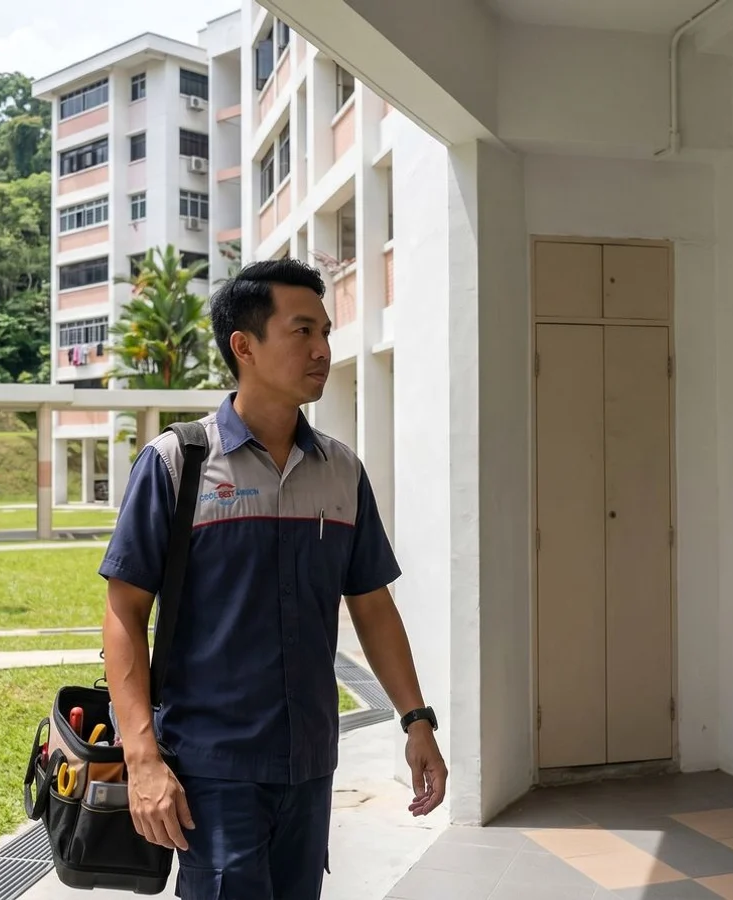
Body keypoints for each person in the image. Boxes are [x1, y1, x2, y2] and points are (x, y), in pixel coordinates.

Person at [99, 258, 446, 899]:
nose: (322, 350)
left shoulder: (341, 471)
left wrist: (415, 719)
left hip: (311, 763)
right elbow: (123, 614)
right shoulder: (178, 464)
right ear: (245, 346)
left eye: (326, 333)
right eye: (303, 331)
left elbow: (371, 604)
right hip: (211, 768)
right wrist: (142, 757)